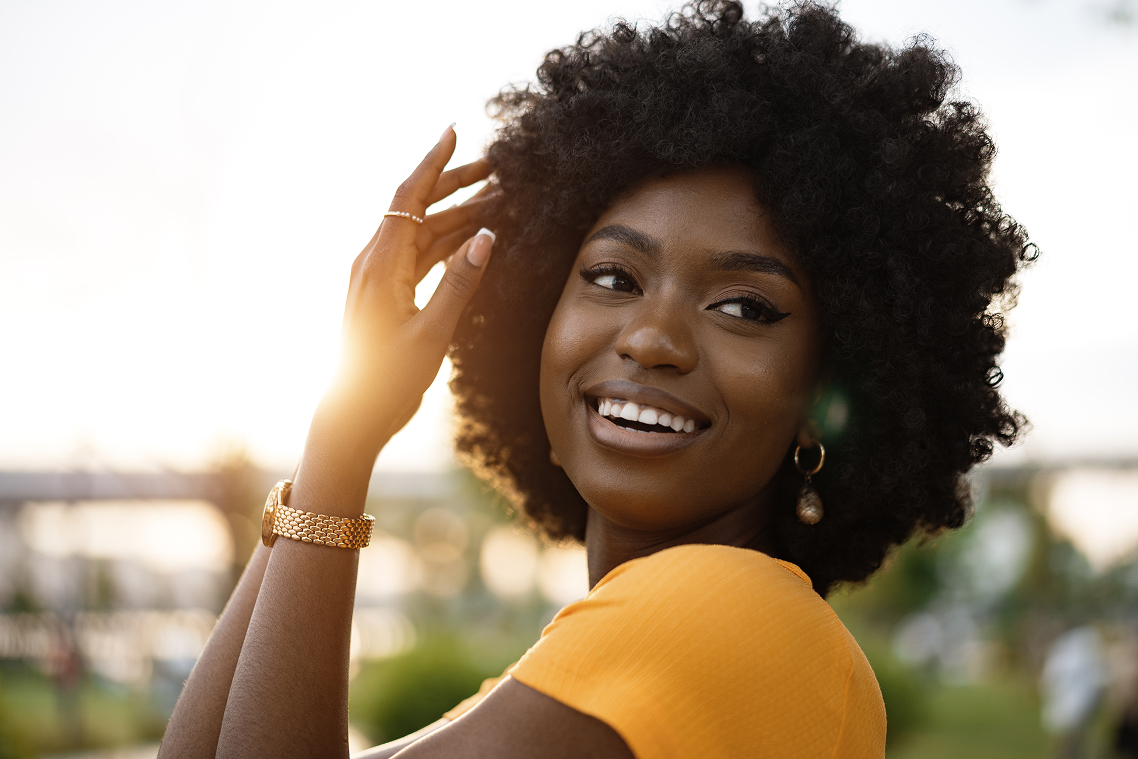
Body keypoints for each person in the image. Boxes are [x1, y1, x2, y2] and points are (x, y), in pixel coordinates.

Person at [158, 2, 1034, 757]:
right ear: (534, 316)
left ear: (826, 391)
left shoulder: (733, 613)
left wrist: (343, 445)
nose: (652, 338)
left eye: (744, 306)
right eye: (613, 278)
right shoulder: (574, 676)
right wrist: (340, 426)